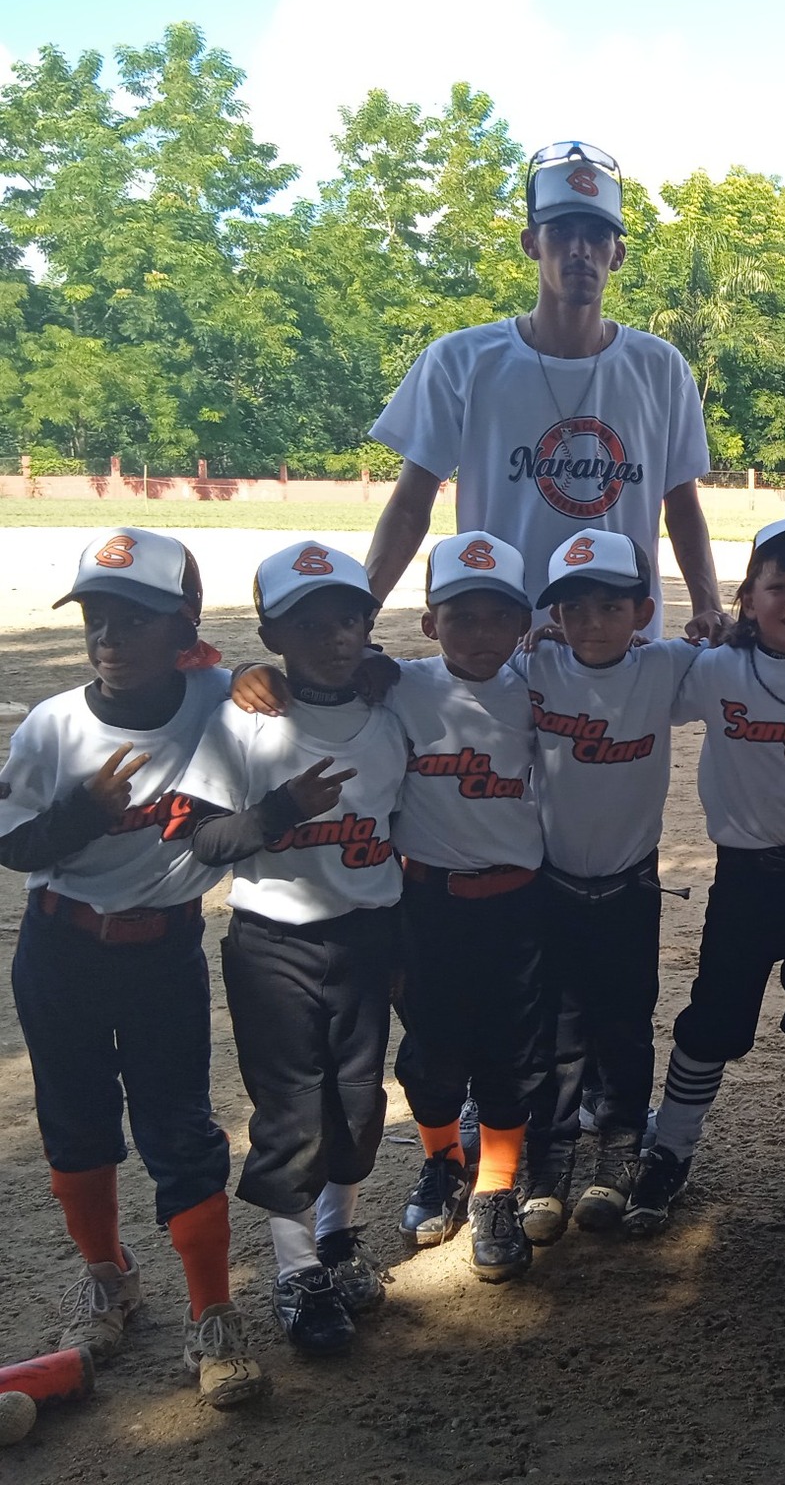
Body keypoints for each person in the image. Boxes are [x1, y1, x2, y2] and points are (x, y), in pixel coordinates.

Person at [228, 534, 553, 1284]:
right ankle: (442, 1165)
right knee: (431, 1053)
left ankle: (496, 1190)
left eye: (498, 617)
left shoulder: (539, 684)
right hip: (425, 903)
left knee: (512, 1058)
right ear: (429, 623)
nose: (480, 633)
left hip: (515, 905)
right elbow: (296, 680)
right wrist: (247, 674)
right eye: (459, 616)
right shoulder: (396, 683)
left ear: (523, 624)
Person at [0, 528, 268, 1408]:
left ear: (184, 624)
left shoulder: (221, 700)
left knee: (180, 1128)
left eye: (135, 620)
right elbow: (14, 845)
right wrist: (81, 813)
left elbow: (322, 680)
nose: (108, 639)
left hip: (163, 954)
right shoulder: (53, 727)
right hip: (62, 949)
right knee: (76, 1124)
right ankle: (108, 1277)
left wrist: (300, 676)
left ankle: (213, 1313)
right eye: (96, 618)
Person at [179, 542, 408, 1355]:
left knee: (356, 1102)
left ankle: (338, 1240)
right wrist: (280, 810)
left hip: (367, 935)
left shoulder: (393, 708)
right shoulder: (248, 715)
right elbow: (203, 839)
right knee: (293, 1112)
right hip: (273, 944)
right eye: (306, 623)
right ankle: (295, 1267)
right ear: (273, 634)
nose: (333, 637)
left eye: (350, 619)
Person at [366, 140, 728, 640]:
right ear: (531, 242)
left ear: (617, 254)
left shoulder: (660, 368)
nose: (579, 249)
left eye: (597, 234)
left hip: (617, 651)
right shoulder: (461, 361)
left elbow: (683, 507)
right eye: (560, 232)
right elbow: (410, 506)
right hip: (496, 647)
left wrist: (708, 605)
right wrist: (362, 614)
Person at [625, 518, 785, 1231]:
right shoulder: (711, 669)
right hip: (746, 874)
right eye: (779, 586)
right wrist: (551, 645)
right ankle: (670, 1146)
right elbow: (622, 674)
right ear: (746, 596)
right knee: (716, 1014)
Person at [516, 530, 703, 1244]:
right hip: (552, 882)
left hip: (631, 885)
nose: (592, 622)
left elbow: (754, 654)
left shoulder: (666, 666)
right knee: (555, 1032)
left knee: (625, 1023)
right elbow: (445, 674)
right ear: (553, 618)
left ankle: (618, 1153)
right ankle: (549, 1163)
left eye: (610, 605)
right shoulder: (531, 670)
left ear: (643, 611)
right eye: (574, 608)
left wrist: (721, 620)